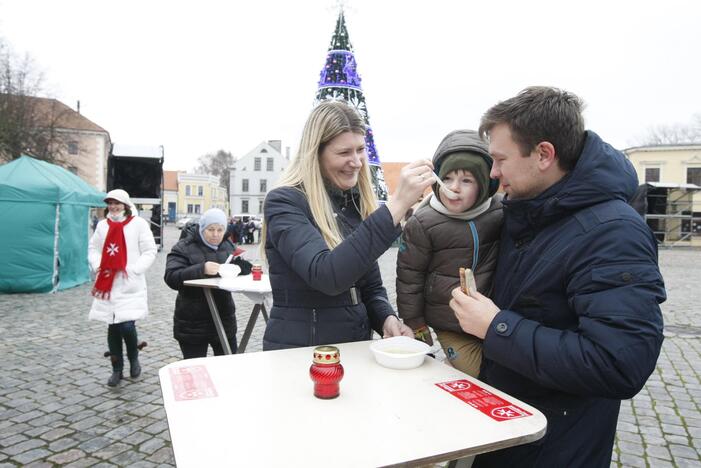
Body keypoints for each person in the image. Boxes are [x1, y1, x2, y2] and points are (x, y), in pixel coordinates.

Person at [449, 87, 666, 467]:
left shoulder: (614, 234)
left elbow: (618, 364)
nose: (494, 174)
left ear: (544, 154)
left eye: (500, 160)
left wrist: (496, 326)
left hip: (555, 450)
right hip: (509, 434)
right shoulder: (528, 210)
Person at [261, 100, 434, 350]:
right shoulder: (285, 202)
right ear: (315, 154)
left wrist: (386, 318)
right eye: (344, 153)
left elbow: (370, 287)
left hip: (353, 347)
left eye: (360, 149)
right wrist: (397, 206)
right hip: (303, 352)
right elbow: (327, 276)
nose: (356, 162)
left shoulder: (353, 203)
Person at [396, 129, 502, 377]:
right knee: (476, 371)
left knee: (502, 373)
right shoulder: (423, 222)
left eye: (467, 180)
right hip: (449, 322)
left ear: (484, 184)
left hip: (491, 317)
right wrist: (415, 323)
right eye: (448, 178)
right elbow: (409, 278)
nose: (454, 188)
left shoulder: (498, 211)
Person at [88, 189, 157, 387]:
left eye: (117, 203)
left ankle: (134, 357)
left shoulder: (138, 224)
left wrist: (135, 269)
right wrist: (98, 264)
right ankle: (117, 369)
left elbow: (150, 250)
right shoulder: (103, 226)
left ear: (125, 205)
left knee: (126, 325)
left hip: (129, 282)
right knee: (113, 326)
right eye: (110, 203)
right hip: (108, 282)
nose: (113, 207)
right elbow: (93, 248)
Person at [164, 208, 252, 358]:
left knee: (228, 369)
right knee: (196, 371)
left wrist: (240, 267)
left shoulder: (227, 245)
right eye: (211, 229)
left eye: (220, 229)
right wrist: (201, 269)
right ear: (202, 228)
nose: (216, 234)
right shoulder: (183, 247)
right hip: (192, 322)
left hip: (223, 318)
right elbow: (171, 277)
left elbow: (241, 264)